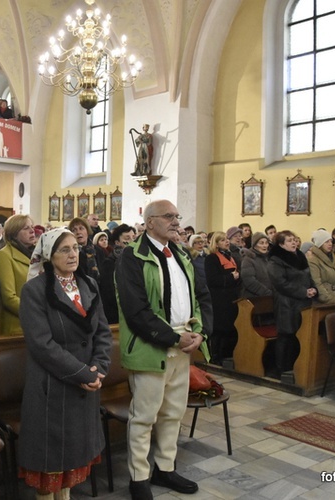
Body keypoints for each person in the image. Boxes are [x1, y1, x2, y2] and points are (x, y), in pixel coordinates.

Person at [115, 199, 210, 500]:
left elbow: (196, 298)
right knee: (144, 416)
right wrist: (172, 337)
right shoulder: (131, 257)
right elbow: (135, 310)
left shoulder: (181, 254)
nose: (175, 221)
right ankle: (139, 477)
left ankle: (165, 468)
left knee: (173, 413)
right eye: (168, 216)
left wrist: (198, 333)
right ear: (150, 221)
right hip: (150, 346)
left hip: (183, 346)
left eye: (176, 216)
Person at [18, 228, 112, 500]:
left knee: (71, 461)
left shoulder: (89, 285)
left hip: (86, 386)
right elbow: (41, 344)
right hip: (52, 386)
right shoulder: (34, 290)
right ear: (49, 255)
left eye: (75, 248)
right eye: (64, 249)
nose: (73, 254)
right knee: (51, 465)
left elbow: (103, 332)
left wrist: (100, 367)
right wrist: (83, 372)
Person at [267, 230, 317, 377]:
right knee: (286, 334)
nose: (294, 242)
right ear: (281, 244)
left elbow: (308, 275)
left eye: (295, 240)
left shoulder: (300, 256)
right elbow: (280, 283)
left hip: (303, 303)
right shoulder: (276, 260)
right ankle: (282, 368)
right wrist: (303, 292)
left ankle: (295, 366)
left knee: (298, 335)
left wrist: (313, 288)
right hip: (286, 303)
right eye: (289, 240)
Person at [205, 231, 241, 364]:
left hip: (231, 297)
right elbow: (212, 280)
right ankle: (215, 356)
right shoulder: (212, 258)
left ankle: (226, 355)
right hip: (219, 298)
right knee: (219, 328)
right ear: (216, 243)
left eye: (227, 239)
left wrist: (236, 278)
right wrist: (231, 277)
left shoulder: (231, 257)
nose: (226, 242)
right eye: (222, 240)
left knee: (229, 327)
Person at [98, 223, 134, 324]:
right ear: (117, 242)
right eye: (127, 238)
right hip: (117, 315)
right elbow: (109, 294)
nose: (132, 241)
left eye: (133, 237)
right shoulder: (109, 263)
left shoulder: (134, 261)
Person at [308, 229, 335, 304]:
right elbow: (317, 283)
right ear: (320, 244)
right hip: (323, 302)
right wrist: (331, 300)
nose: (330, 244)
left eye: (331, 241)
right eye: (326, 242)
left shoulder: (333, 258)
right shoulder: (313, 260)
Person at [241, 231, 273, 298]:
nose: (265, 245)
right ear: (254, 245)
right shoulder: (248, 259)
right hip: (254, 299)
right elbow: (249, 280)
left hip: (270, 298)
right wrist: (267, 292)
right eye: (261, 243)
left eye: (266, 243)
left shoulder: (269, 258)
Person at [68, 217, 101, 281]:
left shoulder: (98, 251)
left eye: (81, 228)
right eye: (74, 230)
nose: (78, 232)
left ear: (87, 231)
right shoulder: (71, 254)